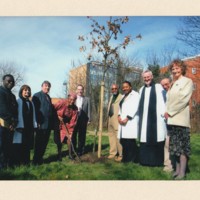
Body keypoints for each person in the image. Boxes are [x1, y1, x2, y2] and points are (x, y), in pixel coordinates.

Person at [164, 59, 193, 180]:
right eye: (173, 68)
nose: (175, 70)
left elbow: (183, 100)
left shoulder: (187, 81)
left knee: (182, 148)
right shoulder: (172, 83)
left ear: (182, 69)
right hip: (172, 120)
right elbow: (169, 101)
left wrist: (170, 112)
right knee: (174, 147)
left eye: (177, 68)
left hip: (180, 119)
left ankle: (182, 172)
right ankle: (177, 170)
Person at [138, 70, 167, 166]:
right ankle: (144, 161)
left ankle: (157, 162)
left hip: (157, 119)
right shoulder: (141, 89)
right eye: (145, 77)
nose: (146, 79)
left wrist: (164, 113)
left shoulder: (159, 87)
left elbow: (164, 100)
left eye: (148, 77)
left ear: (152, 76)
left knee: (157, 138)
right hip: (144, 119)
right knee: (144, 138)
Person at [11, 85, 37, 166]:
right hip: (20, 127)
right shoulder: (18, 101)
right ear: (21, 91)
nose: (27, 92)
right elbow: (17, 114)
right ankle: (17, 163)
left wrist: (34, 125)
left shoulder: (31, 102)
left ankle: (26, 162)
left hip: (29, 128)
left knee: (27, 145)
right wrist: (19, 126)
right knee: (19, 145)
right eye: (25, 90)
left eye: (28, 90)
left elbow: (33, 115)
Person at [32, 80, 53, 165]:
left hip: (48, 124)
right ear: (42, 87)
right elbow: (35, 110)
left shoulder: (48, 97)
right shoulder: (37, 95)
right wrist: (37, 122)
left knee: (45, 143)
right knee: (39, 143)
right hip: (40, 124)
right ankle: (35, 160)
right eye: (45, 86)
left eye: (48, 86)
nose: (47, 88)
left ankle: (40, 158)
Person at [118, 81, 139, 163]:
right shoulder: (123, 96)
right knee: (124, 141)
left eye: (126, 86)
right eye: (123, 87)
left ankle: (132, 159)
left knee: (130, 142)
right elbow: (120, 108)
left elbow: (135, 107)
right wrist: (119, 116)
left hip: (130, 121)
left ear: (130, 87)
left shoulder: (135, 95)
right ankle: (125, 158)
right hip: (122, 121)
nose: (124, 88)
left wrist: (127, 118)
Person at [53, 93, 78, 160]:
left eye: (74, 100)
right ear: (68, 98)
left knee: (69, 138)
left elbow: (73, 120)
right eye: (71, 99)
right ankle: (59, 155)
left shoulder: (75, 108)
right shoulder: (62, 102)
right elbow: (53, 108)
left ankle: (70, 154)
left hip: (67, 124)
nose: (72, 101)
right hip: (58, 123)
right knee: (59, 140)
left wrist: (70, 130)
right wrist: (58, 116)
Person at [0, 74, 18, 168]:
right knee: (1, 147)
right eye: (8, 81)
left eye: (12, 81)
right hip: (2, 124)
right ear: (3, 80)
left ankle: (7, 164)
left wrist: (14, 121)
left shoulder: (12, 96)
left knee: (8, 147)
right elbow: (2, 109)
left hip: (11, 125)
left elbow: (15, 110)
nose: (11, 83)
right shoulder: (0, 92)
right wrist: (11, 121)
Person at [72, 84, 90, 156]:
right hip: (74, 120)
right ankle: (73, 150)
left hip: (83, 120)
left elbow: (89, 109)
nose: (80, 91)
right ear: (76, 90)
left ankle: (80, 150)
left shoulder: (87, 99)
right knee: (73, 136)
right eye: (78, 89)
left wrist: (89, 119)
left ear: (83, 90)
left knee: (82, 136)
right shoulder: (73, 98)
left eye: (81, 89)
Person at [160, 78, 174, 172]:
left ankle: (176, 165)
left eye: (166, 84)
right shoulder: (165, 94)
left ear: (171, 83)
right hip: (168, 122)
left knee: (175, 144)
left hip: (176, 121)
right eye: (163, 85)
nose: (165, 86)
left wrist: (170, 113)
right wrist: (164, 113)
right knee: (167, 144)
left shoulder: (174, 93)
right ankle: (167, 165)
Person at [107, 84, 123, 161]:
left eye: (115, 88)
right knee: (111, 137)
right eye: (112, 89)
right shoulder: (111, 97)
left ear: (118, 89)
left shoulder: (121, 97)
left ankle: (121, 154)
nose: (114, 90)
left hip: (117, 119)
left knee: (118, 138)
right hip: (110, 119)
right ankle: (113, 153)